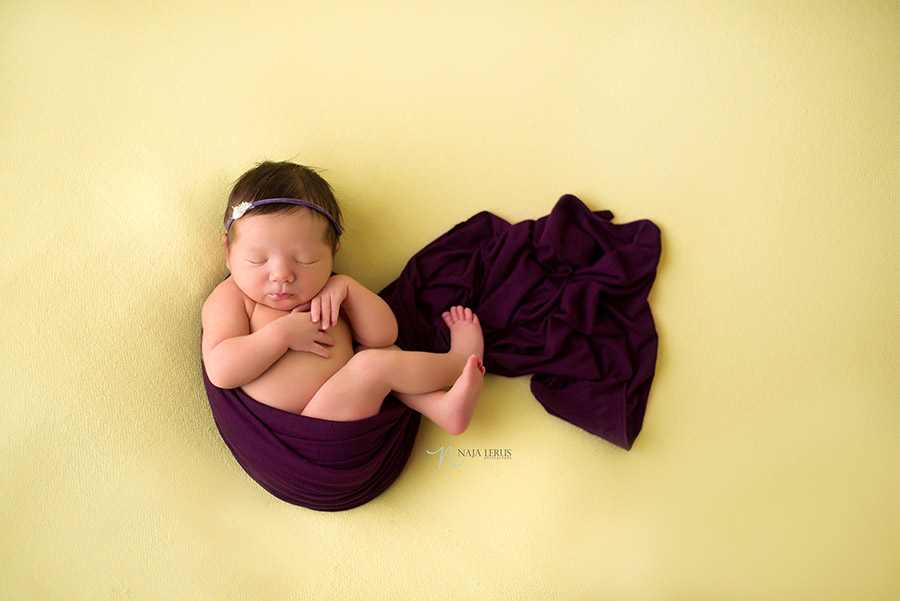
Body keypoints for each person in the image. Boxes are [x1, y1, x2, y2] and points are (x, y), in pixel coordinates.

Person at [201, 161, 485, 435]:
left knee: (379, 356)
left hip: (346, 416)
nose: (282, 275)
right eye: (257, 260)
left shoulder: (328, 290)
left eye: (306, 260)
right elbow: (221, 371)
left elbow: (384, 337)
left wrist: (348, 288)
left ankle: (441, 408)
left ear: (333, 252)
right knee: (370, 366)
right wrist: (282, 334)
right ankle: (459, 362)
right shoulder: (232, 298)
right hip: (308, 438)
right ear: (229, 253)